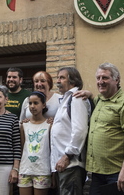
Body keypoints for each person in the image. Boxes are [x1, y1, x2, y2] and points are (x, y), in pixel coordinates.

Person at [86, 63, 124, 194]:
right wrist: (88, 94)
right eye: (98, 78)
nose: (100, 82)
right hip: (97, 172)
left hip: (117, 172)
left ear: (116, 79)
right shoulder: (99, 100)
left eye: (105, 78)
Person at [50, 67, 91, 195]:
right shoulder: (65, 99)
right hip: (63, 165)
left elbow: (80, 130)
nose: (58, 81)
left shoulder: (76, 98)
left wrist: (67, 156)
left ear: (73, 81)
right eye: (57, 78)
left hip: (71, 164)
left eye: (62, 78)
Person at [18, 91, 53, 195]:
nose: (32, 106)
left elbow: (51, 149)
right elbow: (23, 146)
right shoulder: (24, 125)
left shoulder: (49, 125)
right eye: (30, 103)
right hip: (25, 169)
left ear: (43, 105)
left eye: (36, 103)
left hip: (42, 169)